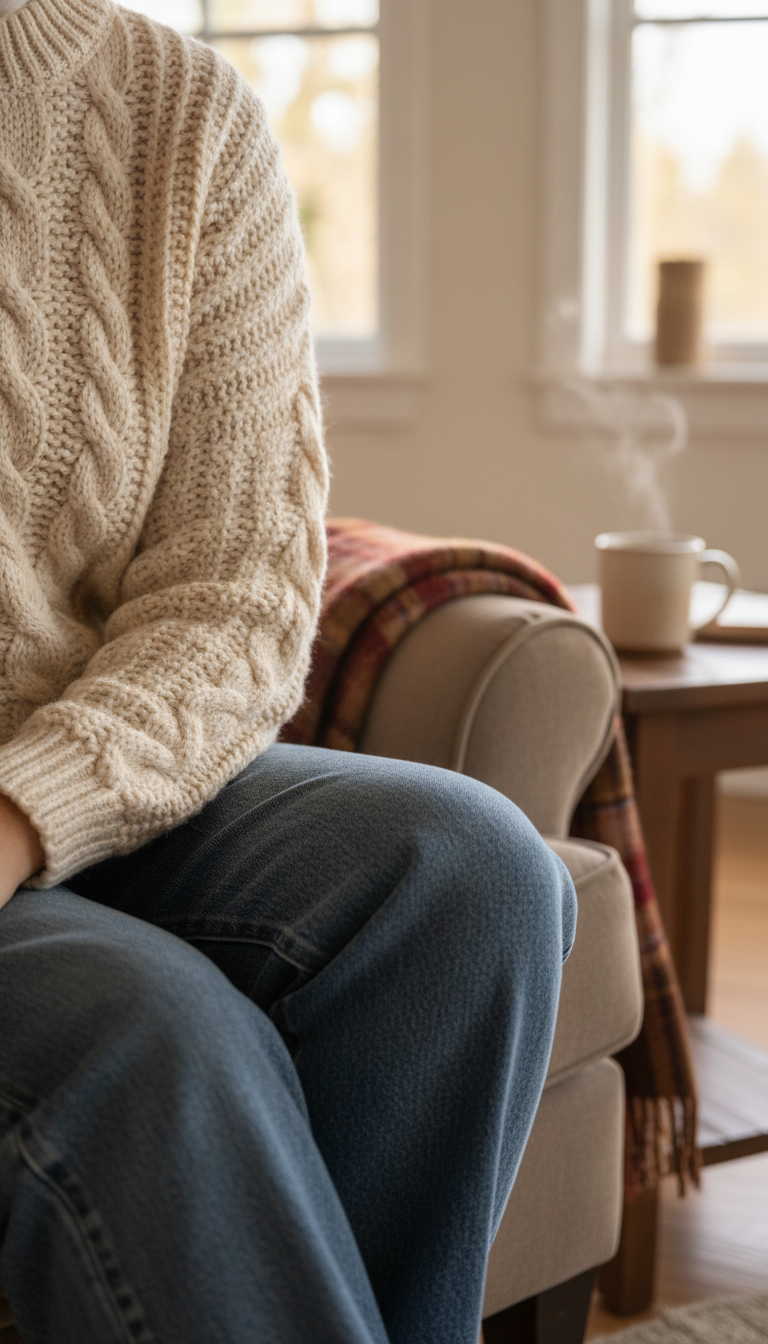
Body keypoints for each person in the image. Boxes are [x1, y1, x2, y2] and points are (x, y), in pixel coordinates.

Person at [0, 1, 577, 1340]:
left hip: (70, 767)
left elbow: (238, 590)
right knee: (146, 1034)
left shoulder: (181, 115)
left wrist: (26, 810)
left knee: (474, 876)